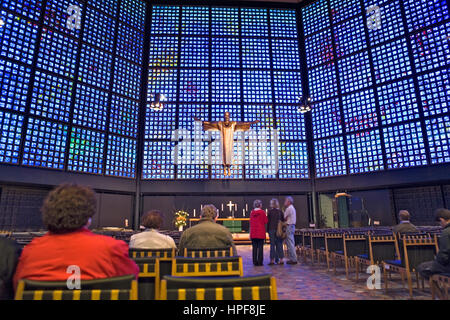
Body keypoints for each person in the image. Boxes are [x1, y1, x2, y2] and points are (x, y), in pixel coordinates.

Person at [13, 184, 138, 289]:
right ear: (88, 217)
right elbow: (131, 282)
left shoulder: (30, 252)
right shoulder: (112, 248)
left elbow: (17, 287)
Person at [417, 208, 450, 281]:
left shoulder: (446, 232)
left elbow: (444, 254)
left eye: (439, 223)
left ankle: (439, 292)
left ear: (442, 220)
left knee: (422, 267)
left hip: (448, 265)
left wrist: (437, 261)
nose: (440, 225)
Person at [250, 200, 268, 266]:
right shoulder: (262, 212)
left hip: (253, 233)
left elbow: (251, 222)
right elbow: (266, 221)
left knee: (254, 248)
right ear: (260, 205)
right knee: (260, 248)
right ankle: (260, 262)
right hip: (260, 232)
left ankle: (255, 262)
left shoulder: (252, 212)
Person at [267, 199, 284, 265]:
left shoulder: (270, 212)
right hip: (278, 230)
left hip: (271, 229)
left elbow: (268, 222)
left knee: (272, 245)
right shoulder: (280, 212)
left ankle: (272, 260)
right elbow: (282, 220)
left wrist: (267, 230)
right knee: (279, 244)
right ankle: (281, 259)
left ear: (271, 204)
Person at [284, 196, 298, 265]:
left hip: (289, 226)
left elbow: (284, 218)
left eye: (286, 201)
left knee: (290, 243)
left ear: (289, 202)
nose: (285, 202)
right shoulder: (293, 208)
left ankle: (293, 259)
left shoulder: (289, 208)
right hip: (292, 226)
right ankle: (293, 258)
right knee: (291, 242)